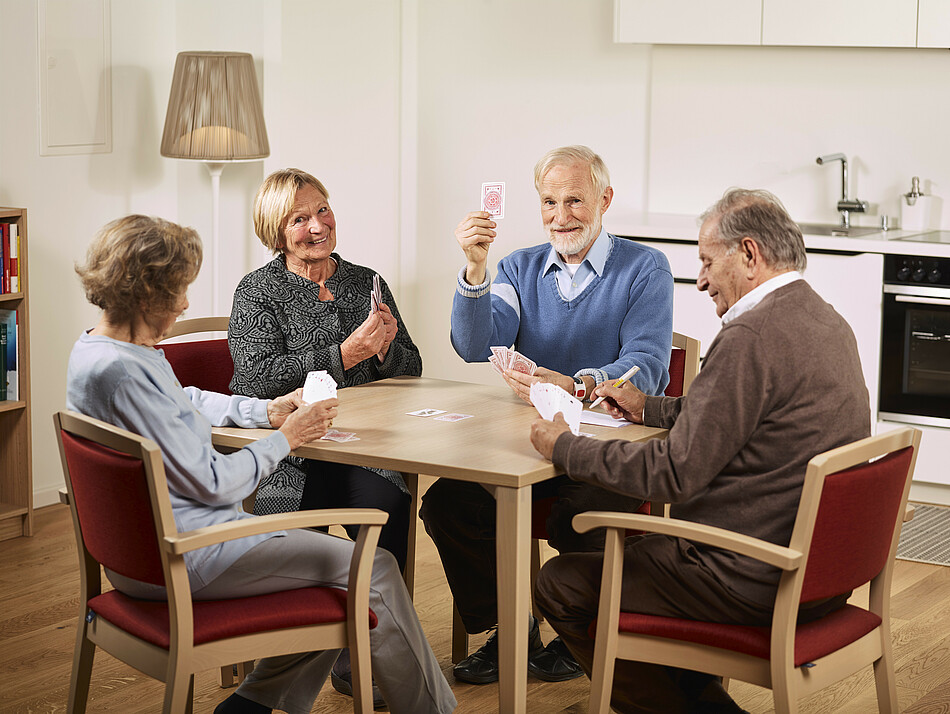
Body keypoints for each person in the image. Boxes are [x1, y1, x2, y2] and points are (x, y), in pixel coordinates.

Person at [67, 215, 456, 714]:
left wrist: (262, 411)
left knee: (332, 575)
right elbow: (214, 485)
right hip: (192, 552)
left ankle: (250, 706)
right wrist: (285, 439)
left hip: (138, 554)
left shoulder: (101, 352)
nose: (185, 304)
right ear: (145, 292)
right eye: (177, 291)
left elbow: (178, 400)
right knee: (371, 568)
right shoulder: (127, 370)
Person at [528, 188, 871, 713]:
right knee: (615, 567)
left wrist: (565, 447)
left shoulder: (750, 336)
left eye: (708, 262)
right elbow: (740, 413)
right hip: (823, 574)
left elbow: (672, 474)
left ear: (750, 255)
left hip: (746, 574)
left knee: (561, 583)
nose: (702, 280)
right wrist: (649, 408)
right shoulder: (825, 321)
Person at [420, 145, 674, 685]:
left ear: (605, 199)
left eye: (576, 200)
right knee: (448, 502)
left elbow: (647, 366)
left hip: (610, 448)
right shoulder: (518, 267)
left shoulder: (645, 267)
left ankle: (577, 631)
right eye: (550, 201)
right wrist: (475, 267)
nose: (562, 216)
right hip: (531, 444)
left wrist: (576, 384)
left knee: (578, 513)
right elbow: (473, 345)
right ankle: (508, 632)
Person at [229, 169, 422, 702]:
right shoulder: (258, 292)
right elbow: (254, 380)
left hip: (366, 451)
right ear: (276, 231)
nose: (318, 226)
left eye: (323, 210)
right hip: (291, 458)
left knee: (391, 505)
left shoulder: (366, 281)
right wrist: (345, 355)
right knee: (297, 534)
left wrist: (384, 348)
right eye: (299, 218)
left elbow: (412, 365)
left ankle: (371, 648)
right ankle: (295, 653)